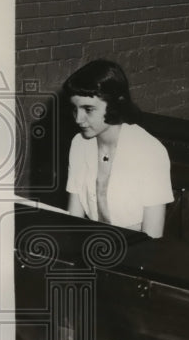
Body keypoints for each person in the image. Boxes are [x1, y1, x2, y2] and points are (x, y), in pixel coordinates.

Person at [63, 59, 173, 238]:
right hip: (90, 244)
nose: (78, 119)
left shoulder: (150, 152)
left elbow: (153, 238)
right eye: (75, 109)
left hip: (136, 249)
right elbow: (74, 220)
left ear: (115, 104)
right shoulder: (79, 143)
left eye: (88, 110)